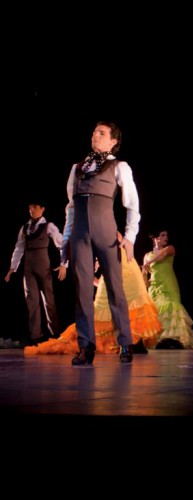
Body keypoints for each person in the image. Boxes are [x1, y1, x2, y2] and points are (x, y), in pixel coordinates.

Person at [57, 121, 139, 366]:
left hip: (105, 231)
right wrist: (65, 247)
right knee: (82, 289)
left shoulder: (119, 166)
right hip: (80, 233)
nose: (95, 135)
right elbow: (70, 210)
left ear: (114, 140)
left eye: (101, 133)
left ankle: (125, 343)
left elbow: (132, 204)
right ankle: (86, 346)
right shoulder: (77, 168)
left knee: (115, 287)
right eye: (94, 132)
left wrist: (130, 237)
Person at [26, 232, 162, 355]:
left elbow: (118, 238)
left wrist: (98, 258)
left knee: (133, 300)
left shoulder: (105, 224)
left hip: (125, 263)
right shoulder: (84, 229)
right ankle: (112, 342)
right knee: (104, 307)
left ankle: (134, 341)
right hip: (113, 264)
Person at [142, 230, 193, 349]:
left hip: (168, 285)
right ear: (155, 238)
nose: (166, 237)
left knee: (171, 309)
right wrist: (145, 280)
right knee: (156, 311)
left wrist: (149, 263)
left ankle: (173, 339)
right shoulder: (147, 255)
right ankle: (158, 340)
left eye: (167, 235)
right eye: (163, 235)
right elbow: (144, 273)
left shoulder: (170, 249)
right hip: (155, 288)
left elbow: (161, 256)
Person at [5, 201, 62, 345]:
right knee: (32, 301)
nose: (31, 210)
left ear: (42, 209)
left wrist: (63, 264)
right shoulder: (25, 228)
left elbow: (61, 243)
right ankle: (36, 335)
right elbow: (19, 248)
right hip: (28, 268)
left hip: (43, 266)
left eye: (35, 207)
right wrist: (13, 267)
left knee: (48, 300)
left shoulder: (48, 226)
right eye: (30, 207)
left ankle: (55, 333)